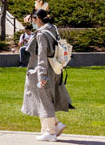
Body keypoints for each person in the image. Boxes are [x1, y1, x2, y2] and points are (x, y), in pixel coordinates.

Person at [22, 9, 71, 142]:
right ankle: (51, 127)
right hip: (55, 69)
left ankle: (50, 132)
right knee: (44, 100)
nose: (32, 22)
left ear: (37, 19)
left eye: (33, 20)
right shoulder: (52, 28)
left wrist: (41, 76)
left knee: (45, 101)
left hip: (45, 70)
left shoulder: (41, 34)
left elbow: (41, 56)